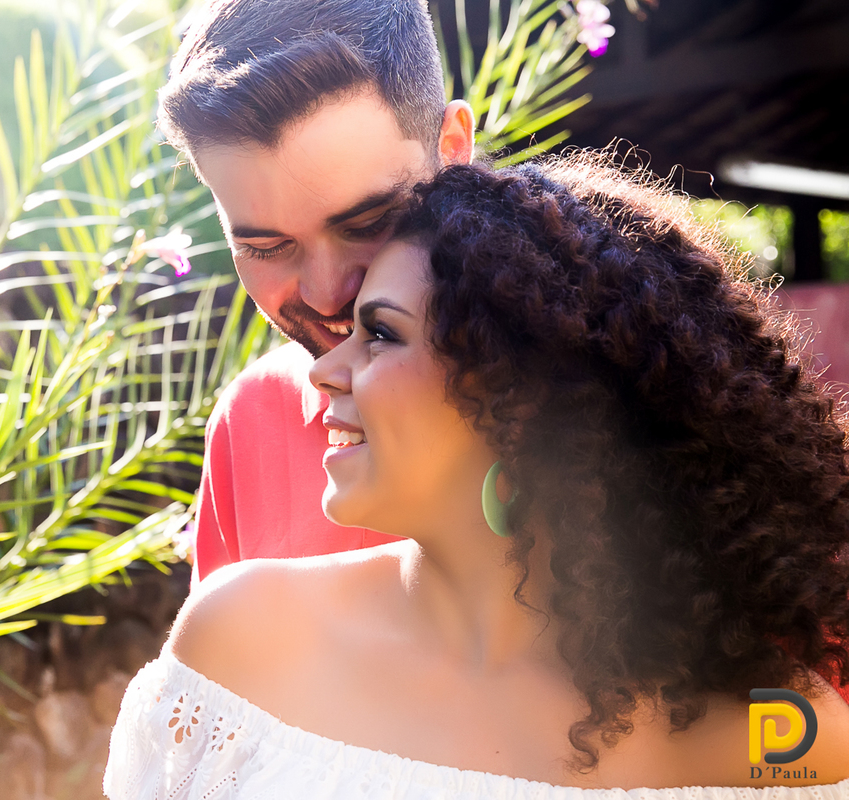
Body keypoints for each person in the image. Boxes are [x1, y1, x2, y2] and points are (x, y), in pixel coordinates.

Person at [103, 154, 849, 796]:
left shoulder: (781, 737)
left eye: (381, 334)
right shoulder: (242, 643)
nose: (326, 370)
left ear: (525, 402)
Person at [156, 0, 476, 585]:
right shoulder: (250, 421)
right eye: (267, 248)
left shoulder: (600, 379)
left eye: (368, 224)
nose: (328, 296)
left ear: (452, 149)